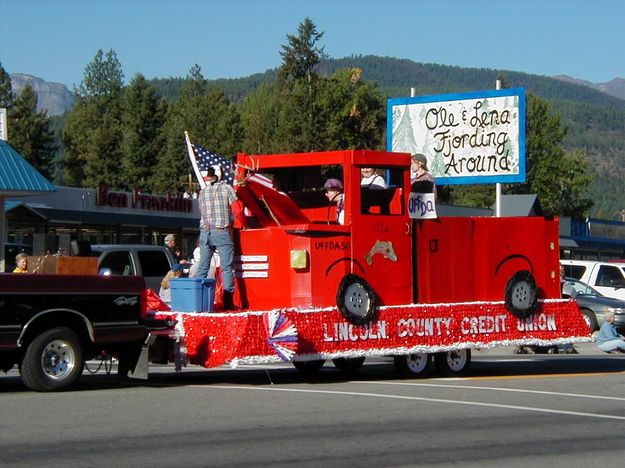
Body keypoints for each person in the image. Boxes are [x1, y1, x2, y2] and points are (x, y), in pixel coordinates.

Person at [195, 166, 238, 310]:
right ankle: (228, 301)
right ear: (221, 175)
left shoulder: (202, 192)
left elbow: (201, 211)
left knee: (203, 267)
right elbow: (237, 210)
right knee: (226, 268)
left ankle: (198, 301)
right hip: (221, 231)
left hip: (205, 232)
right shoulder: (227, 188)